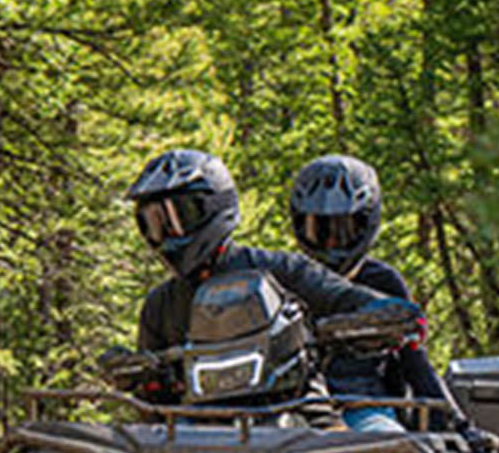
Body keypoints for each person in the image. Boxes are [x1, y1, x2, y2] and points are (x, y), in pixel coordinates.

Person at [127, 148, 415, 359]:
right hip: (196, 426)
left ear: (214, 206)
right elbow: (148, 401)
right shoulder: (159, 305)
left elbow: (343, 296)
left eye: (178, 218)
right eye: (153, 223)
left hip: (295, 418)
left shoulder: (282, 270)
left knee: (379, 436)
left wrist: (379, 314)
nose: (166, 235)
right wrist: (132, 372)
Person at [289, 153, 490, 452]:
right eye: (318, 229)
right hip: (292, 411)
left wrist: (459, 426)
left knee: (393, 452)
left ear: (367, 224)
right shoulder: (286, 278)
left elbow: (415, 362)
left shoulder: (383, 282)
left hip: (365, 408)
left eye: (343, 230)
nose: (331, 243)